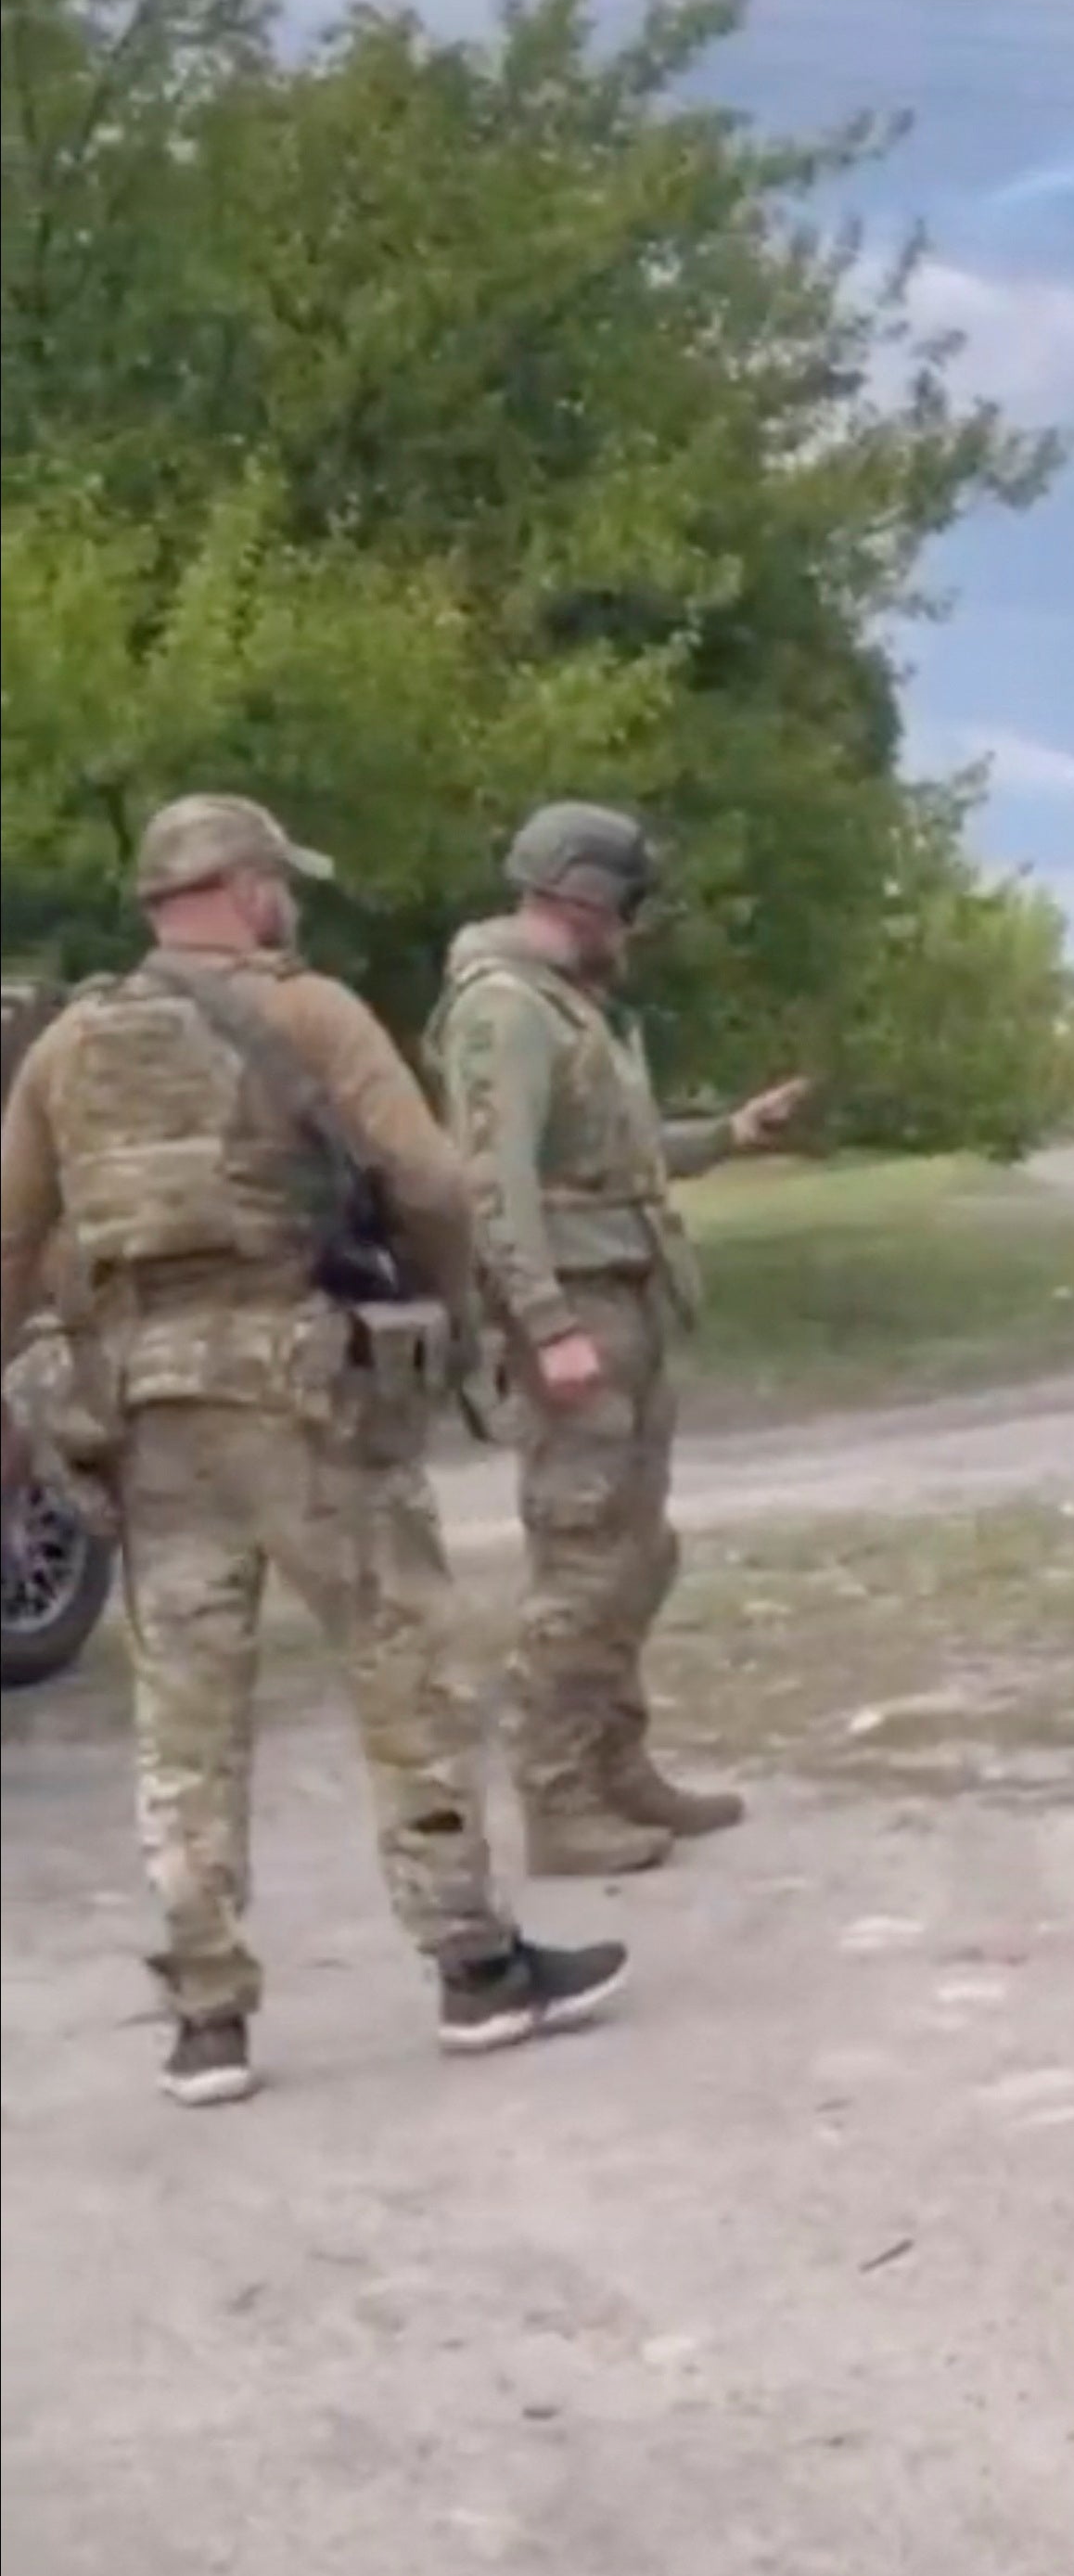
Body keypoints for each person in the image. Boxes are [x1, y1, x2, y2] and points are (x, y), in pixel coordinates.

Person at [0, 792, 631, 2107]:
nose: (289, 901)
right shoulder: (310, 1013)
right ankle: (474, 1970)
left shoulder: (64, 1047)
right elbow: (437, 1183)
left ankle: (208, 2021)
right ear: (239, 888)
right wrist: (455, 1312)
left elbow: (13, 1243)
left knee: (184, 1718)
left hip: (150, 1413)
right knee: (404, 1677)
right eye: (277, 881)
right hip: (311, 1404)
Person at [426, 801, 806, 1876]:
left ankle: (615, 1765)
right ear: (585, 897)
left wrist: (729, 1135)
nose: (633, 931)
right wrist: (544, 1325)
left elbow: (618, 1163)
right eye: (628, 906)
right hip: (578, 1314)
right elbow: (491, 1185)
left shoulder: (571, 1010)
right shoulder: (503, 1011)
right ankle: (556, 1801)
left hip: (627, 1303)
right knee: (583, 1562)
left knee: (639, 1555)